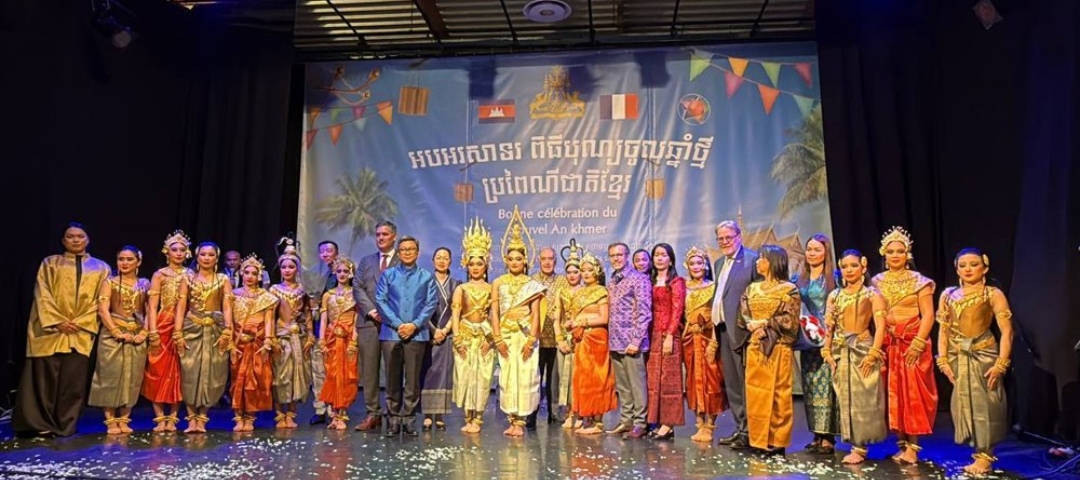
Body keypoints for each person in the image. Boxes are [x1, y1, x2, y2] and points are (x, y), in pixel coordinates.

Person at [13, 223, 111, 438]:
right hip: (49, 330)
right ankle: (39, 423)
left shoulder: (101, 267)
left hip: (80, 331)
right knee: (44, 379)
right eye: (70, 237)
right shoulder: (50, 263)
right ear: (63, 240)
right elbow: (42, 293)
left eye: (80, 236)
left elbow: (102, 300)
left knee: (73, 381)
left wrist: (80, 322)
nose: (75, 240)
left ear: (87, 239)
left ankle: (65, 424)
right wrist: (57, 321)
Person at [936, 248, 1014, 476]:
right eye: (963, 265)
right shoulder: (948, 295)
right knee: (964, 404)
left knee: (987, 405)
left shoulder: (992, 294)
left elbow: (1007, 332)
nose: (968, 269)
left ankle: (985, 457)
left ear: (985, 268)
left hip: (984, 354)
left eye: (974, 264)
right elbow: (943, 331)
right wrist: (942, 359)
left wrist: (1001, 363)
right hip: (958, 355)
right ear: (956, 269)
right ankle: (977, 453)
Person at [871, 226, 938, 464]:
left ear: (907, 253)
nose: (895, 255)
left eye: (900, 251)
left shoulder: (920, 282)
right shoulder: (876, 281)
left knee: (913, 394)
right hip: (889, 343)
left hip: (912, 342)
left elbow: (928, 315)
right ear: (884, 254)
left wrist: (918, 343)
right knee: (894, 393)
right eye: (890, 251)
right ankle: (902, 445)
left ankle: (914, 448)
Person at [823, 250, 887, 465]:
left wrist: (873, 353)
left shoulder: (872, 294)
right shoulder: (835, 296)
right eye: (844, 267)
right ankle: (854, 444)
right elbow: (829, 328)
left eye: (853, 265)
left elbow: (880, 327)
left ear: (863, 266)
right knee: (845, 397)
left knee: (864, 398)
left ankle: (860, 447)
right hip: (841, 351)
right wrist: (827, 351)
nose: (849, 270)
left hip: (862, 349)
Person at [491, 207, 547, 437]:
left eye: (519, 259)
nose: (515, 262)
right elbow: (494, 312)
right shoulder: (498, 282)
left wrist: (532, 339)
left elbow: (536, 314)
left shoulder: (532, 285)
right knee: (507, 376)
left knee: (526, 375)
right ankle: (511, 419)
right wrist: (497, 338)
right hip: (505, 336)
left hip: (525, 336)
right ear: (506, 260)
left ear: (526, 260)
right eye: (511, 259)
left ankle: (521, 422)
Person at [740, 244, 800, 455]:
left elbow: (790, 319)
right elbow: (744, 313)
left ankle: (777, 440)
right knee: (756, 393)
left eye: (761, 258)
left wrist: (765, 323)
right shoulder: (751, 289)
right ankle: (758, 439)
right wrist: (751, 325)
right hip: (756, 346)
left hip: (778, 347)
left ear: (773, 261)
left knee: (779, 393)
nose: (757, 262)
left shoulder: (788, 289)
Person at [376, 236, 438, 437]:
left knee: (412, 381)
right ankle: (393, 420)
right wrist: (398, 324)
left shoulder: (427, 277)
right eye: (403, 249)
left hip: (417, 335)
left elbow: (431, 303)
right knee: (392, 380)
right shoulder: (388, 275)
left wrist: (414, 325)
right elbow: (381, 300)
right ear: (398, 252)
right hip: (391, 333)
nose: (407, 252)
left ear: (418, 253)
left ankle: (409, 419)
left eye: (411, 249)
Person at [88, 246, 150, 435]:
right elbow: (102, 310)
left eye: (129, 259)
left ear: (138, 262)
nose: (124, 263)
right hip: (112, 335)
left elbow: (150, 310)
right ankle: (110, 421)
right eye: (121, 259)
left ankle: (124, 419)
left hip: (136, 335)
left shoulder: (145, 284)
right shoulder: (110, 282)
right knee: (110, 376)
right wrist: (115, 331)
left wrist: (145, 332)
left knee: (133, 377)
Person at [710, 220, 760, 449]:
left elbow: (758, 297)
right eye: (720, 238)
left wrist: (753, 326)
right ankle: (741, 428)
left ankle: (752, 431)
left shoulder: (752, 260)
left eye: (728, 237)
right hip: (723, 329)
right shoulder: (719, 262)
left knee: (746, 383)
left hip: (743, 332)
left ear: (739, 236)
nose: (724, 242)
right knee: (731, 384)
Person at [792, 234, 840, 454]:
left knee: (827, 387)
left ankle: (828, 436)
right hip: (807, 338)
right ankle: (816, 434)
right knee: (810, 386)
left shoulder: (834, 278)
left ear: (825, 253)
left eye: (817, 250)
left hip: (828, 338)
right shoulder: (798, 278)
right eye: (809, 249)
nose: (811, 253)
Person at [142, 230, 193, 433]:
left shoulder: (191, 275)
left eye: (182, 250)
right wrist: (153, 331)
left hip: (185, 325)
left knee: (179, 372)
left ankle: (173, 417)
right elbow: (152, 306)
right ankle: (159, 417)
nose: (178, 253)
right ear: (167, 252)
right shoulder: (159, 275)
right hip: (162, 323)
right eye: (175, 249)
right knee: (157, 370)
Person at [178, 242, 232, 434]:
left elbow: (227, 306)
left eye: (211, 255)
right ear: (197, 256)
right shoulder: (188, 278)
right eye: (203, 254)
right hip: (191, 329)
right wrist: (177, 332)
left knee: (213, 372)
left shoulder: (222, 279)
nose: (206, 258)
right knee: (189, 371)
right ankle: (191, 418)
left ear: (216, 258)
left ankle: (202, 419)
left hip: (215, 329)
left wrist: (227, 330)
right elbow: (181, 307)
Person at [564, 250, 618, 435]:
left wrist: (582, 322)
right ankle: (586, 417)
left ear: (597, 271)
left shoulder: (601, 291)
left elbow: (604, 318)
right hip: (581, 340)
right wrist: (571, 324)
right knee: (582, 379)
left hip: (596, 339)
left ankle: (598, 422)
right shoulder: (579, 293)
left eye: (589, 270)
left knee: (597, 378)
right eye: (583, 270)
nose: (586, 273)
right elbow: (575, 317)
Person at [353, 221, 399, 432]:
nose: (381, 238)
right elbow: (358, 288)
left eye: (385, 234)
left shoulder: (402, 260)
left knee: (393, 369)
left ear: (394, 236)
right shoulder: (366, 261)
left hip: (393, 324)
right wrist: (372, 311)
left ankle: (393, 413)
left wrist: (388, 314)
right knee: (369, 371)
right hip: (369, 323)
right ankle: (373, 413)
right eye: (378, 234)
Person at [605, 242, 653, 439]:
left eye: (620, 255)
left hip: (632, 341)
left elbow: (644, 312)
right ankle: (626, 420)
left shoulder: (639, 278)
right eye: (613, 255)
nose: (616, 258)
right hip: (615, 340)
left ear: (627, 256)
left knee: (636, 384)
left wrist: (636, 340)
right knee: (623, 385)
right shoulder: (612, 280)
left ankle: (640, 423)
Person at [451, 218, 495, 434]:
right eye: (472, 264)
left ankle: (478, 418)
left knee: (482, 378)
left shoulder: (492, 288)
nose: (475, 267)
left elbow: (495, 316)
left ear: (486, 265)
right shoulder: (461, 289)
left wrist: (491, 339)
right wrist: (457, 339)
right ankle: (467, 416)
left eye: (479, 263)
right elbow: (455, 314)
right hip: (465, 337)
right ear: (466, 265)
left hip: (484, 338)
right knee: (465, 377)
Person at [228, 254, 278, 432]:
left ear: (260, 276)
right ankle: (238, 417)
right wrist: (231, 342)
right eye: (247, 272)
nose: (250, 276)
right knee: (237, 380)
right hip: (238, 342)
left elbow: (269, 320)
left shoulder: (266, 297)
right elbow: (229, 320)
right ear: (241, 273)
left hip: (257, 342)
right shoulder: (233, 295)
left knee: (256, 380)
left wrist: (267, 341)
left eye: (254, 273)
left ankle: (250, 418)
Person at [681, 246, 725, 443]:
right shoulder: (684, 288)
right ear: (687, 266)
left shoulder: (713, 287)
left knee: (712, 381)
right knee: (692, 380)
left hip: (708, 337)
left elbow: (717, 315)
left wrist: (711, 336)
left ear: (706, 265)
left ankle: (710, 426)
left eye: (699, 263)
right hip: (690, 339)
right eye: (692, 263)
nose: (696, 266)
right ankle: (699, 424)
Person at [645, 243, 685, 440]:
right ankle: (657, 421)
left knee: (669, 380)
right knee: (654, 380)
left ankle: (668, 424)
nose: (659, 258)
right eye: (656, 255)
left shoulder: (676, 282)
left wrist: (670, 335)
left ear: (670, 259)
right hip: (652, 336)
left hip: (669, 335)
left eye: (663, 255)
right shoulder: (649, 281)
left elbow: (678, 310)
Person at [269, 252, 314, 429]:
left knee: (297, 374)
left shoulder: (304, 290)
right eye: (284, 267)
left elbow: (308, 314)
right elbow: (270, 316)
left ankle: (291, 414)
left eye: (291, 267)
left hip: (299, 336)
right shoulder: (274, 290)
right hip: (281, 336)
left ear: (297, 269)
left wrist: (310, 335)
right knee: (280, 375)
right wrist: (271, 338)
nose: (287, 270)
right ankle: (279, 414)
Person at [421, 247, 461, 431]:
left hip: (447, 333)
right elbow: (421, 308)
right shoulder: (425, 282)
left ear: (450, 261)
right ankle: (427, 415)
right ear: (433, 261)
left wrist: (444, 330)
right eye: (438, 257)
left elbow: (457, 311)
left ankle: (439, 414)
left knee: (444, 374)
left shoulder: (456, 284)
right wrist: (433, 330)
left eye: (446, 258)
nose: (442, 261)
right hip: (428, 334)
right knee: (429, 373)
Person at [319, 256, 360, 430]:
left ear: (351, 273)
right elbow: (324, 319)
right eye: (339, 271)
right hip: (331, 339)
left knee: (346, 376)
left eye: (345, 271)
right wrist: (321, 339)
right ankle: (334, 415)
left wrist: (354, 341)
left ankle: (342, 413)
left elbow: (357, 319)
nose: (342, 274)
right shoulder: (328, 295)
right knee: (331, 375)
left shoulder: (356, 294)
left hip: (347, 339)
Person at [530, 246, 569, 428]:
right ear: (539, 260)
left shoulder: (563, 281)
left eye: (550, 258)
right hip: (536, 339)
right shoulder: (532, 281)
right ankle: (531, 413)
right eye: (544, 259)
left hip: (556, 339)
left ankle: (554, 413)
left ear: (555, 261)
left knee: (555, 380)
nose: (547, 262)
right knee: (534, 378)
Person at [554, 240, 585, 429]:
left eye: (576, 271)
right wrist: (559, 339)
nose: (572, 275)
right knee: (564, 377)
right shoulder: (561, 291)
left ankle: (580, 413)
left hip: (582, 339)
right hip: (565, 339)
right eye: (569, 272)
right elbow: (557, 318)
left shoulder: (587, 291)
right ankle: (568, 413)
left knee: (579, 377)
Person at [308, 240, 339, 425]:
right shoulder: (314, 275)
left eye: (329, 251)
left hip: (337, 328)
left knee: (334, 370)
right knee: (318, 368)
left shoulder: (343, 273)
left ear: (336, 253)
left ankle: (336, 408)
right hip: (318, 325)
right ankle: (320, 408)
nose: (325, 254)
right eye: (322, 251)